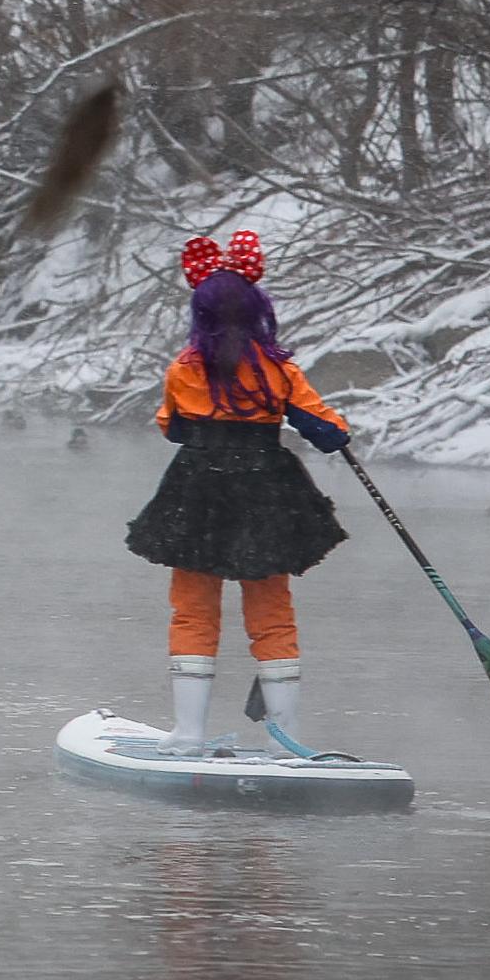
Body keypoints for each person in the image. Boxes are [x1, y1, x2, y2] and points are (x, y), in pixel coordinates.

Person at [123, 231, 351, 754]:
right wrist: (320, 427)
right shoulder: (280, 369)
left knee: (193, 610)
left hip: (198, 492)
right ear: (259, 312)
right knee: (272, 611)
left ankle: (188, 734)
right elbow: (328, 431)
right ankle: (286, 739)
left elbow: (174, 429)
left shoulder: (184, 369)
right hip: (268, 490)